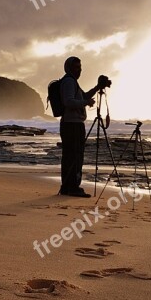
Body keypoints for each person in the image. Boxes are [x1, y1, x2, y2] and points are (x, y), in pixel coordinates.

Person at [58, 56, 106, 198]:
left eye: (80, 67)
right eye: (76, 67)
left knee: (71, 156)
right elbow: (69, 101)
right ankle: (72, 187)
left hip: (72, 123)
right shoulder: (69, 82)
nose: (79, 70)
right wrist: (86, 103)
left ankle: (68, 186)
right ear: (69, 68)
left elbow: (83, 96)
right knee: (74, 156)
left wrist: (97, 87)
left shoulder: (72, 82)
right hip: (72, 124)